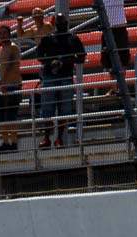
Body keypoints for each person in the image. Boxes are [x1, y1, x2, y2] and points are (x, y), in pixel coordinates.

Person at [36, 13, 86, 148]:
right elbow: (39, 56)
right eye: (59, 23)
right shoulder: (48, 39)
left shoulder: (73, 38)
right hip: (50, 77)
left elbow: (81, 57)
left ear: (66, 24)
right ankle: (47, 137)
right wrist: (51, 62)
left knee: (65, 109)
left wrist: (64, 61)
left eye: (62, 23)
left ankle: (59, 138)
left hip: (65, 77)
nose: (61, 25)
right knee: (47, 109)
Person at [0, 25, 23, 152]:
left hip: (12, 85)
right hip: (3, 86)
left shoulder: (13, 47)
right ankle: (6, 142)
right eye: (0, 33)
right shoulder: (0, 48)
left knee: (11, 115)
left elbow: (9, 66)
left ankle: (14, 142)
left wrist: (0, 83)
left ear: (9, 34)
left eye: (4, 33)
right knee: (1, 116)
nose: (2, 35)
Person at [101, 0, 131, 95]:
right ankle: (114, 88)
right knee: (108, 60)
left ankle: (122, 87)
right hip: (106, 27)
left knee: (123, 59)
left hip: (119, 26)